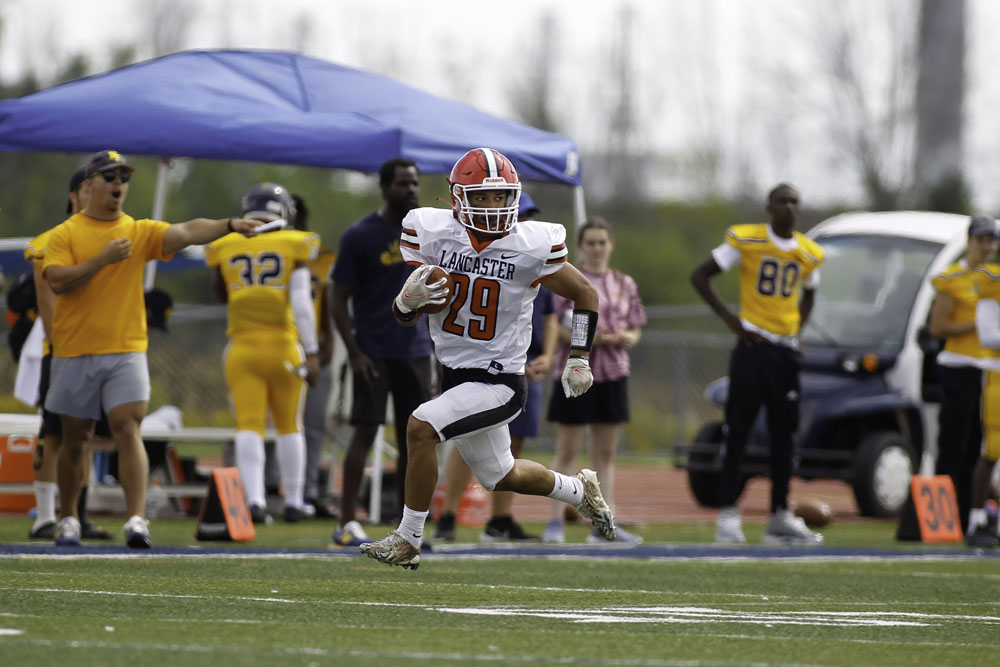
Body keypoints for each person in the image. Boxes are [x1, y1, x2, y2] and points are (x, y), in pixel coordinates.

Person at [360, 147, 615, 570]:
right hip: (456, 375)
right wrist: (407, 302)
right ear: (458, 196)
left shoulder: (531, 243)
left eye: (501, 197)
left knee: (421, 427)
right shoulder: (434, 234)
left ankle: (408, 537)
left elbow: (586, 294)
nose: (493, 206)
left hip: (501, 382)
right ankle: (578, 491)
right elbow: (405, 317)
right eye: (482, 197)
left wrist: (580, 356)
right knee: (501, 475)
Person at [42, 149, 261, 548]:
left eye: (123, 177)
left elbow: (187, 231)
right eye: (109, 177)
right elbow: (57, 279)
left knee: (129, 428)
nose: (118, 184)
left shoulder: (137, 230)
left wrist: (230, 224)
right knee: (77, 438)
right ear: (88, 185)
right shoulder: (65, 234)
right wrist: (101, 259)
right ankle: (69, 517)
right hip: (75, 349)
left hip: (127, 348)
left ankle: (137, 519)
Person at [689, 182, 825, 545]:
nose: (790, 207)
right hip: (752, 347)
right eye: (782, 201)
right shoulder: (747, 241)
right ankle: (728, 513)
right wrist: (731, 321)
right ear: (769, 207)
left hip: (784, 352)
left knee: (785, 437)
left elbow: (810, 292)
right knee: (738, 430)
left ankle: (779, 514)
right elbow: (700, 275)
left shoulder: (808, 252)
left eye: (795, 201)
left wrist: (796, 329)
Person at [434, 192, 558, 542]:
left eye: (531, 214)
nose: (529, 222)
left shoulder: (538, 257)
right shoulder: (479, 257)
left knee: (509, 450)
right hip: (481, 366)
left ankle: (501, 518)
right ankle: (448, 514)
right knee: (462, 439)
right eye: (524, 215)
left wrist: (547, 356)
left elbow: (550, 315)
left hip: (523, 366)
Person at [329, 158, 434, 548]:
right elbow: (337, 299)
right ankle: (345, 521)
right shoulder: (361, 235)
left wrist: (437, 354)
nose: (411, 190)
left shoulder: (428, 235)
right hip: (372, 351)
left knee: (417, 439)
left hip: (416, 352)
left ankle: (409, 528)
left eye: (415, 183)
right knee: (364, 433)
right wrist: (354, 353)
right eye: (403, 183)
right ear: (385, 188)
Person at [205, 183, 320, 525]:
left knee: (249, 425)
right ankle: (294, 501)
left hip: (242, 347)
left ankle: (254, 500)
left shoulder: (225, 244)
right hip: (283, 345)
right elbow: (301, 304)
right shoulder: (293, 243)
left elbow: (220, 292)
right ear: (283, 211)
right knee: (289, 425)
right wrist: (311, 352)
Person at [542, 217, 647, 545]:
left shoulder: (624, 282)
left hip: (614, 373)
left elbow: (635, 325)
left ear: (610, 244)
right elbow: (556, 327)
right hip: (577, 371)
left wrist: (628, 337)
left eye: (602, 242)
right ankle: (554, 523)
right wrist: (589, 340)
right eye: (591, 243)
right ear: (580, 246)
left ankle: (603, 523)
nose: (597, 248)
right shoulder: (567, 278)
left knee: (605, 453)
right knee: (568, 450)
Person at [23, 167, 112, 541]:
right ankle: (45, 515)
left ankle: (78, 513)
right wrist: (62, 345)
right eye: (91, 188)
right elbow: (48, 302)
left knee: (84, 434)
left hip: (98, 349)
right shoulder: (53, 239)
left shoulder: (106, 234)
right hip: (63, 350)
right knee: (54, 433)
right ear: (77, 193)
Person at [930, 214, 1000, 535]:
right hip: (958, 366)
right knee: (953, 444)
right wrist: (982, 325)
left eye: (991, 240)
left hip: (986, 370)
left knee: (979, 445)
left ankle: (969, 514)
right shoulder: (952, 277)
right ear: (969, 241)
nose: (987, 246)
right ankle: (943, 517)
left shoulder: (993, 278)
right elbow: (939, 327)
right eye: (981, 239)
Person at [289, 194, 339, 517]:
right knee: (276, 423)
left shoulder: (320, 258)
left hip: (313, 349)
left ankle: (306, 488)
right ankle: (269, 488)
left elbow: (328, 302)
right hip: (279, 346)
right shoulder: (260, 250)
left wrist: (328, 344)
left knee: (314, 422)